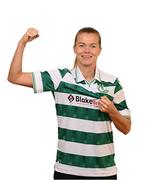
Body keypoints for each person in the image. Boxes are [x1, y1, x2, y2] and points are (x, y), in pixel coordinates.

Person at [8, 27, 131, 179]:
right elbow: (15, 77)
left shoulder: (112, 83)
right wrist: (22, 44)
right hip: (67, 171)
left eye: (92, 45)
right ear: (74, 48)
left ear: (99, 50)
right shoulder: (59, 78)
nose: (87, 50)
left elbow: (126, 128)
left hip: (104, 172)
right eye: (82, 45)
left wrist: (112, 111)